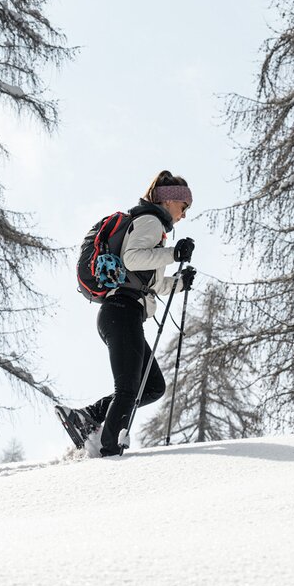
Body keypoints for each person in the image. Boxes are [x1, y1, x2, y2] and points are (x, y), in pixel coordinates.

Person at [56, 171, 197, 457]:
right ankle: (108, 450)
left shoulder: (154, 228)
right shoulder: (149, 221)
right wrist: (173, 254)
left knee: (152, 386)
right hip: (121, 311)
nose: (183, 215)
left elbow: (151, 282)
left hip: (124, 312)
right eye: (183, 208)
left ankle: (88, 418)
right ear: (169, 201)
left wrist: (180, 283)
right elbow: (133, 258)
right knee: (129, 389)